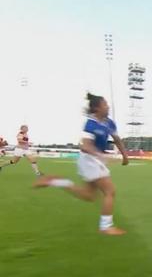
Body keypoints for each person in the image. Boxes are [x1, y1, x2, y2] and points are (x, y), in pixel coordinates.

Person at [34, 93, 129, 235]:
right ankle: (106, 227)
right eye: (105, 104)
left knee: (89, 196)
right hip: (89, 160)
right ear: (97, 108)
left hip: (94, 160)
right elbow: (85, 146)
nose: (108, 106)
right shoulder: (90, 124)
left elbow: (117, 139)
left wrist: (124, 155)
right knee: (110, 191)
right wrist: (101, 156)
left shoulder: (109, 123)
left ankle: (57, 181)